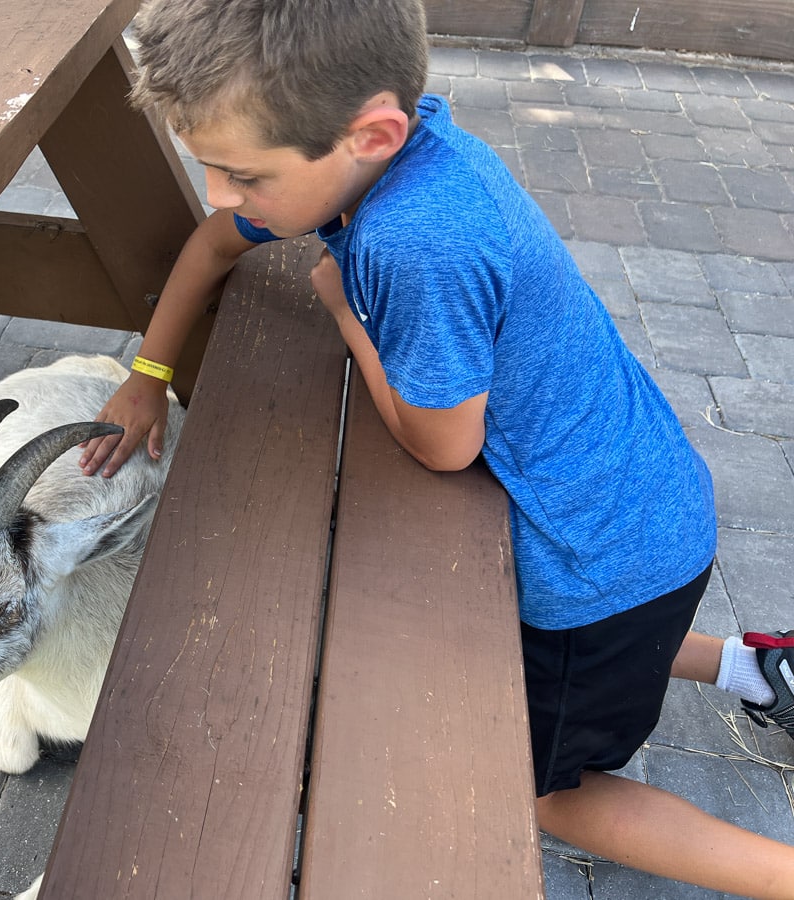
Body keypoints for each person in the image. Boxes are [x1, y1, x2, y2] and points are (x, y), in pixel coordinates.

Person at [78, 0, 794, 894]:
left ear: (369, 133)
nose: (224, 193)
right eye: (211, 169)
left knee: (545, 797)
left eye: (240, 173)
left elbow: (440, 447)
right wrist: (150, 369)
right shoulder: (375, 152)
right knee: (596, 649)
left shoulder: (416, 241)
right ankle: (755, 665)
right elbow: (218, 239)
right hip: (642, 510)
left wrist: (345, 314)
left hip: (594, 568)